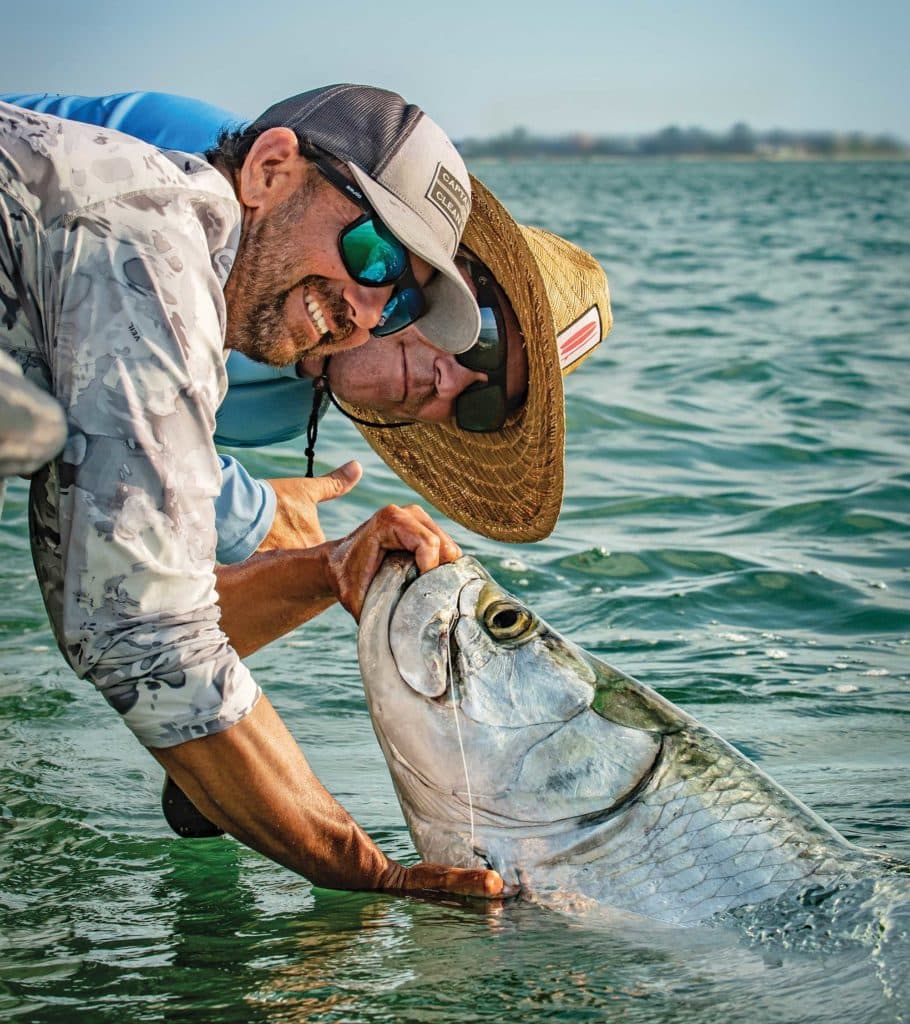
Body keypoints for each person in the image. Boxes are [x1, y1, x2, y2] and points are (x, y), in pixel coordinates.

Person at [0, 86, 509, 898]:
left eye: (401, 301)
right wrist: (373, 876)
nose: (366, 307)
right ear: (270, 169)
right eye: (374, 254)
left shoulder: (202, 280)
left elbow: (100, 590)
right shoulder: (159, 242)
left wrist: (327, 565)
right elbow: (143, 635)